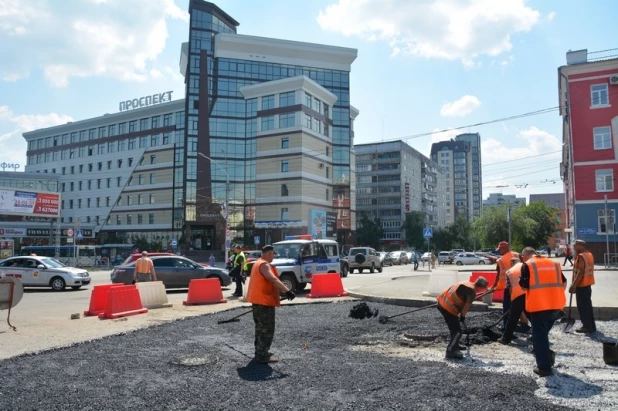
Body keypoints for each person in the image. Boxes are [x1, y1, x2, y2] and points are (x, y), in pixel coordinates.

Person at [519, 246, 567, 377]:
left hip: (539, 307)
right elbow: (564, 282)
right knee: (543, 334)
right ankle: (546, 355)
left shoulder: (527, 265)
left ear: (525, 256)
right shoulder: (554, 263)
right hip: (556, 306)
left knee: (539, 336)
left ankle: (544, 367)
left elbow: (524, 287)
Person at [245, 245, 296, 364]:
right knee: (266, 330)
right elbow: (272, 279)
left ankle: (260, 352)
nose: (274, 256)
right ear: (269, 253)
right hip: (264, 302)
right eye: (273, 254)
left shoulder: (257, 263)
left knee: (260, 328)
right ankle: (262, 356)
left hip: (257, 301)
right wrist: (287, 291)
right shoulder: (264, 265)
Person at [436, 276, 489, 359]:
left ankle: (455, 344)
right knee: (457, 331)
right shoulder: (472, 292)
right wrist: (463, 317)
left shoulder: (466, 283)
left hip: (441, 301)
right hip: (447, 308)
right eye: (483, 288)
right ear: (481, 287)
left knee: (454, 328)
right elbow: (466, 308)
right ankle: (451, 350)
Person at [488, 241, 520, 329]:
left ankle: (507, 327)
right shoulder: (517, 255)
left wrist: (493, 287)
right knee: (520, 306)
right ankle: (522, 324)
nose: (499, 251)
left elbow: (498, 276)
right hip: (520, 285)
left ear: (505, 248)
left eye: (500, 249)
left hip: (509, 287)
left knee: (507, 307)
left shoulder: (500, 261)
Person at [570, 240, 596, 333]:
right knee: (588, 305)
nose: (573, 247)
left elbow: (581, 272)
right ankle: (591, 325)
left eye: (575, 245)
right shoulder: (589, 254)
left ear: (581, 246)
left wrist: (574, 284)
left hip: (581, 285)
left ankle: (586, 326)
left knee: (583, 307)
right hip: (587, 284)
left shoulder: (581, 256)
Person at [500, 256, 527, 345]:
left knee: (513, 318)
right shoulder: (526, 266)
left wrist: (513, 301)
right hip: (529, 294)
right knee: (533, 316)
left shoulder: (510, 272)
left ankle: (505, 339)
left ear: (511, 263)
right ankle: (538, 336)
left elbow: (510, 288)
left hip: (517, 296)